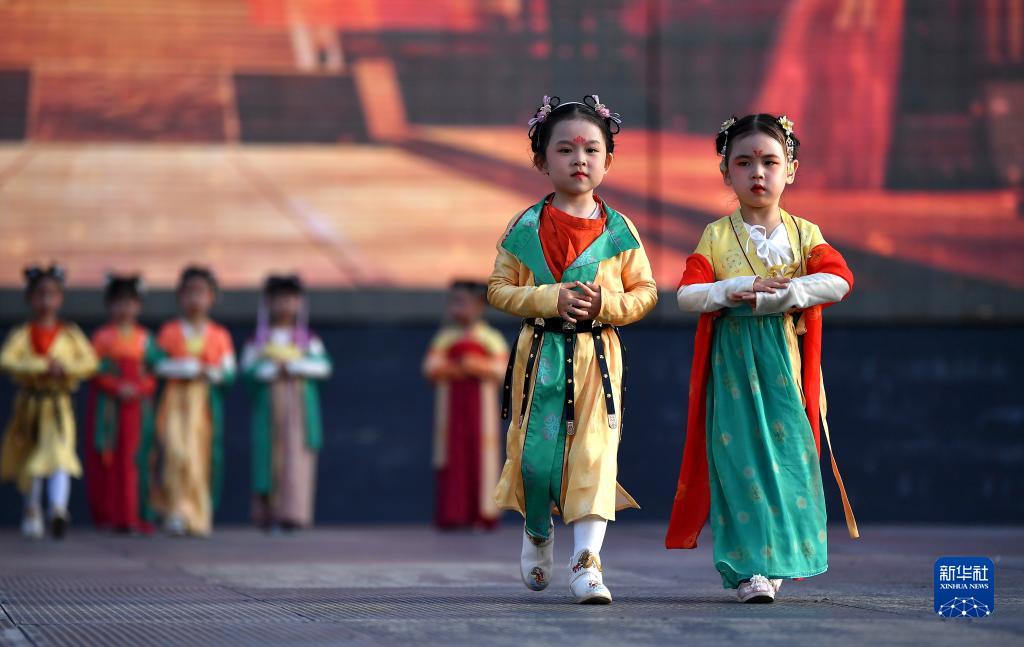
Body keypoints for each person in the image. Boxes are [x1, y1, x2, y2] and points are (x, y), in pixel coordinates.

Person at [666, 114, 859, 603]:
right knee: (738, 463)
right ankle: (750, 568)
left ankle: (778, 561)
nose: (758, 173)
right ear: (725, 172)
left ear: (790, 169)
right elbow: (687, 295)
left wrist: (783, 294)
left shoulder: (804, 233)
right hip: (732, 366)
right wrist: (736, 288)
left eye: (770, 162)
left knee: (790, 460)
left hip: (785, 365)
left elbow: (839, 280)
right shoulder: (716, 235)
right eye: (744, 162)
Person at [488, 95, 658, 604]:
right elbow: (498, 289)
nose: (579, 159)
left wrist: (605, 304)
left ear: (608, 160)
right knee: (536, 457)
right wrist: (549, 298)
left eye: (591, 150)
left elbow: (646, 293)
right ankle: (538, 529)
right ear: (542, 160)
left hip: (597, 359)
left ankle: (587, 563)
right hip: (540, 354)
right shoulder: (524, 227)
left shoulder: (620, 231)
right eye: (564, 150)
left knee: (594, 455)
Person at [0, 264, 98, 539]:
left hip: (58, 405)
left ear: (60, 298)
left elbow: (90, 362)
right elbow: (6, 360)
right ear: (30, 298)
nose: (46, 301)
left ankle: (57, 509)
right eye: (40, 295)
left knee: (61, 456)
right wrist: (41, 366)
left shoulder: (69, 334)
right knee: (32, 458)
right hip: (31, 406)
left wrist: (65, 368)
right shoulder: (23, 334)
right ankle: (32, 510)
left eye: (51, 294)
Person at [150, 266, 236, 537]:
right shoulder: (170, 331)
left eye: (201, 292)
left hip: (203, 403)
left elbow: (228, 371)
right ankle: (175, 510)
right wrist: (183, 367)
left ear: (212, 297)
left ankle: (197, 514)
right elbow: (156, 363)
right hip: (175, 401)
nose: (195, 299)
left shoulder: (219, 335)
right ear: (180, 297)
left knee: (199, 456)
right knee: (175, 452)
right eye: (189, 292)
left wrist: (209, 372)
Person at [242, 274, 332, 532]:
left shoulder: (307, 340)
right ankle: (267, 513)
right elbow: (247, 370)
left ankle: (294, 514)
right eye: (278, 299)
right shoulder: (259, 341)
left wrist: (294, 366)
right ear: (268, 303)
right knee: (269, 457)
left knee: (297, 458)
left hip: (299, 410)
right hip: (269, 409)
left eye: (290, 299)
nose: (284, 305)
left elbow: (324, 367)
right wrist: (271, 369)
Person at [423, 280, 508, 531]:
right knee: (453, 457)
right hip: (452, 411)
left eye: (463, 301)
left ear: (479, 305)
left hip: (481, 411)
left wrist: (475, 365)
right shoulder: (445, 338)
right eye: (454, 301)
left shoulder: (491, 338)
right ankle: (453, 514)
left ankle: (482, 514)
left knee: (481, 457)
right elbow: (431, 368)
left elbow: (503, 370)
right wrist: (459, 367)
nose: (456, 307)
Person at [85, 274, 159, 534]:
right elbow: (94, 369)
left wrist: (139, 388)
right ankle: (110, 515)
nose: (124, 308)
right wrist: (116, 386)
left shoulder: (145, 338)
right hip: (109, 408)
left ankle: (136, 515)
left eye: (130, 302)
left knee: (138, 458)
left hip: (138, 409)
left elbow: (153, 371)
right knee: (109, 457)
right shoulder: (102, 337)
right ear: (109, 305)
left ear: (138, 306)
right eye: (118, 302)